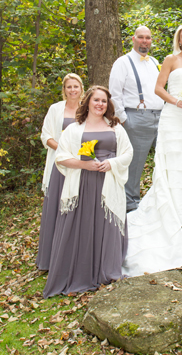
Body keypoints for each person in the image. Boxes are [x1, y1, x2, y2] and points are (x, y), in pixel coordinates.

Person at [122, 24, 182, 278]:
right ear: (179, 40)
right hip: (172, 117)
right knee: (173, 160)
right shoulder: (169, 60)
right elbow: (158, 88)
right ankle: (172, 207)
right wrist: (177, 101)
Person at [44, 86, 133, 298]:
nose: (100, 104)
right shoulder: (74, 129)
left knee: (106, 224)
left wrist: (111, 163)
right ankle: (80, 271)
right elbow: (61, 157)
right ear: (88, 102)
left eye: (104, 101)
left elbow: (128, 153)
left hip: (108, 184)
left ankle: (106, 270)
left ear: (108, 104)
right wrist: (84, 165)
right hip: (82, 185)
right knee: (82, 226)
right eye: (96, 100)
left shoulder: (116, 127)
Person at [108, 26, 163, 212]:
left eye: (148, 38)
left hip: (160, 118)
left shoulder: (155, 62)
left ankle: (159, 200)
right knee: (135, 165)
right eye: (141, 37)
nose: (145, 41)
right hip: (136, 118)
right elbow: (114, 94)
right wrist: (125, 120)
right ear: (133, 39)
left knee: (164, 160)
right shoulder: (122, 62)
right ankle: (130, 205)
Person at [37, 73, 85, 271]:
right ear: (64, 90)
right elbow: (45, 135)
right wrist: (62, 148)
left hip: (80, 165)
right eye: (69, 87)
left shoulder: (87, 108)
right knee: (56, 208)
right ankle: (50, 260)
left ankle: (73, 257)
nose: (73, 90)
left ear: (82, 88)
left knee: (77, 207)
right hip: (59, 164)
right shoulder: (56, 109)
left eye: (76, 86)